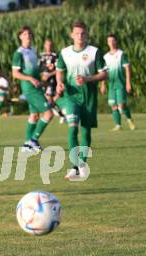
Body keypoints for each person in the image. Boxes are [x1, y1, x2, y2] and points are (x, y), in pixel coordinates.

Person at [56, 21, 107, 181]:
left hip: (89, 97)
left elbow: (104, 74)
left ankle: (80, 165)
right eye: (77, 33)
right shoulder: (64, 52)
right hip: (71, 96)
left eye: (82, 33)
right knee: (72, 129)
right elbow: (59, 71)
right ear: (72, 35)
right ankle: (76, 165)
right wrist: (59, 82)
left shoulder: (94, 52)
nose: (79, 36)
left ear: (87, 35)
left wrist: (87, 78)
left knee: (86, 131)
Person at [12, 26, 53, 153]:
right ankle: (33, 140)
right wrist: (30, 79)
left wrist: (47, 68)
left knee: (34, 115)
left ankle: (26, 144)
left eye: (29, 33)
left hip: (37, 86)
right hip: (30, 88)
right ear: (20, 37)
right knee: (48, 113)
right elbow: (15, 74)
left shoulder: (32, 50)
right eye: (24, 34)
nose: (28, 36)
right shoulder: (19, 53)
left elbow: (36, 69)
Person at [100, 34, 135, 131]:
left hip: (120, 83)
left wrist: (128, 82)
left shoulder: (121, 54)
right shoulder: (106, 57)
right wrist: (102, 85)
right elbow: (104, 71)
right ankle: (118, 125)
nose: (111, 43)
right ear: (107, 43)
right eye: (109, 41)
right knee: (113, 105)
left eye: (113, 40)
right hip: (111, 85)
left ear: (116, 41)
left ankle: (129, 119)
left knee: (121, 105)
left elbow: (127, 68)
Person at [39, 39, 66, 123]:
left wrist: (49, 75)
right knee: (47, 99)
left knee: (49, 99)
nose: (49, 46)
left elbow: (59, 69)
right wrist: (42, 75)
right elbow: (38, 69)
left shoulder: (55, 56)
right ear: (44, 45)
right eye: (47, 44)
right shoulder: (41, 56)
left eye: (50, 45)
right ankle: (60, 114)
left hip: (51, 81)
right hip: (43, 81)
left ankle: (61, 115)